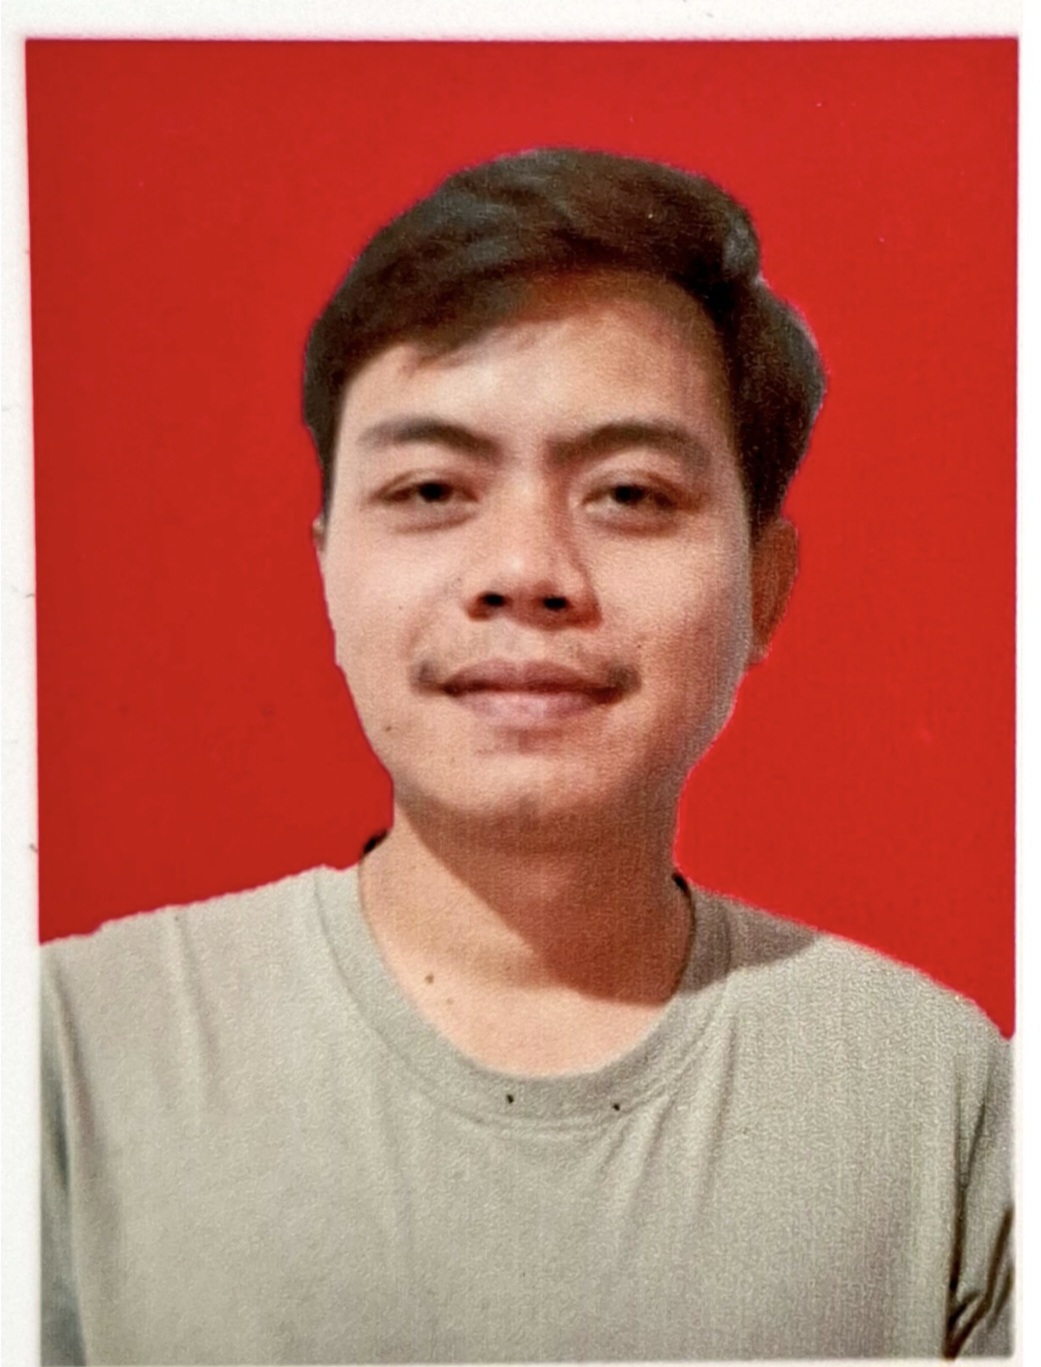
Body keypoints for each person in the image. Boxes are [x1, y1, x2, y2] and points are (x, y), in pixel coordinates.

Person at [41, 148, 1012, 1364]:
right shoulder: (74, 1050)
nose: (526, 571)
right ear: (327, 566)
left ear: (765, 588)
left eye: (630, 493)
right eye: (433, 488)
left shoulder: (939, 1094)